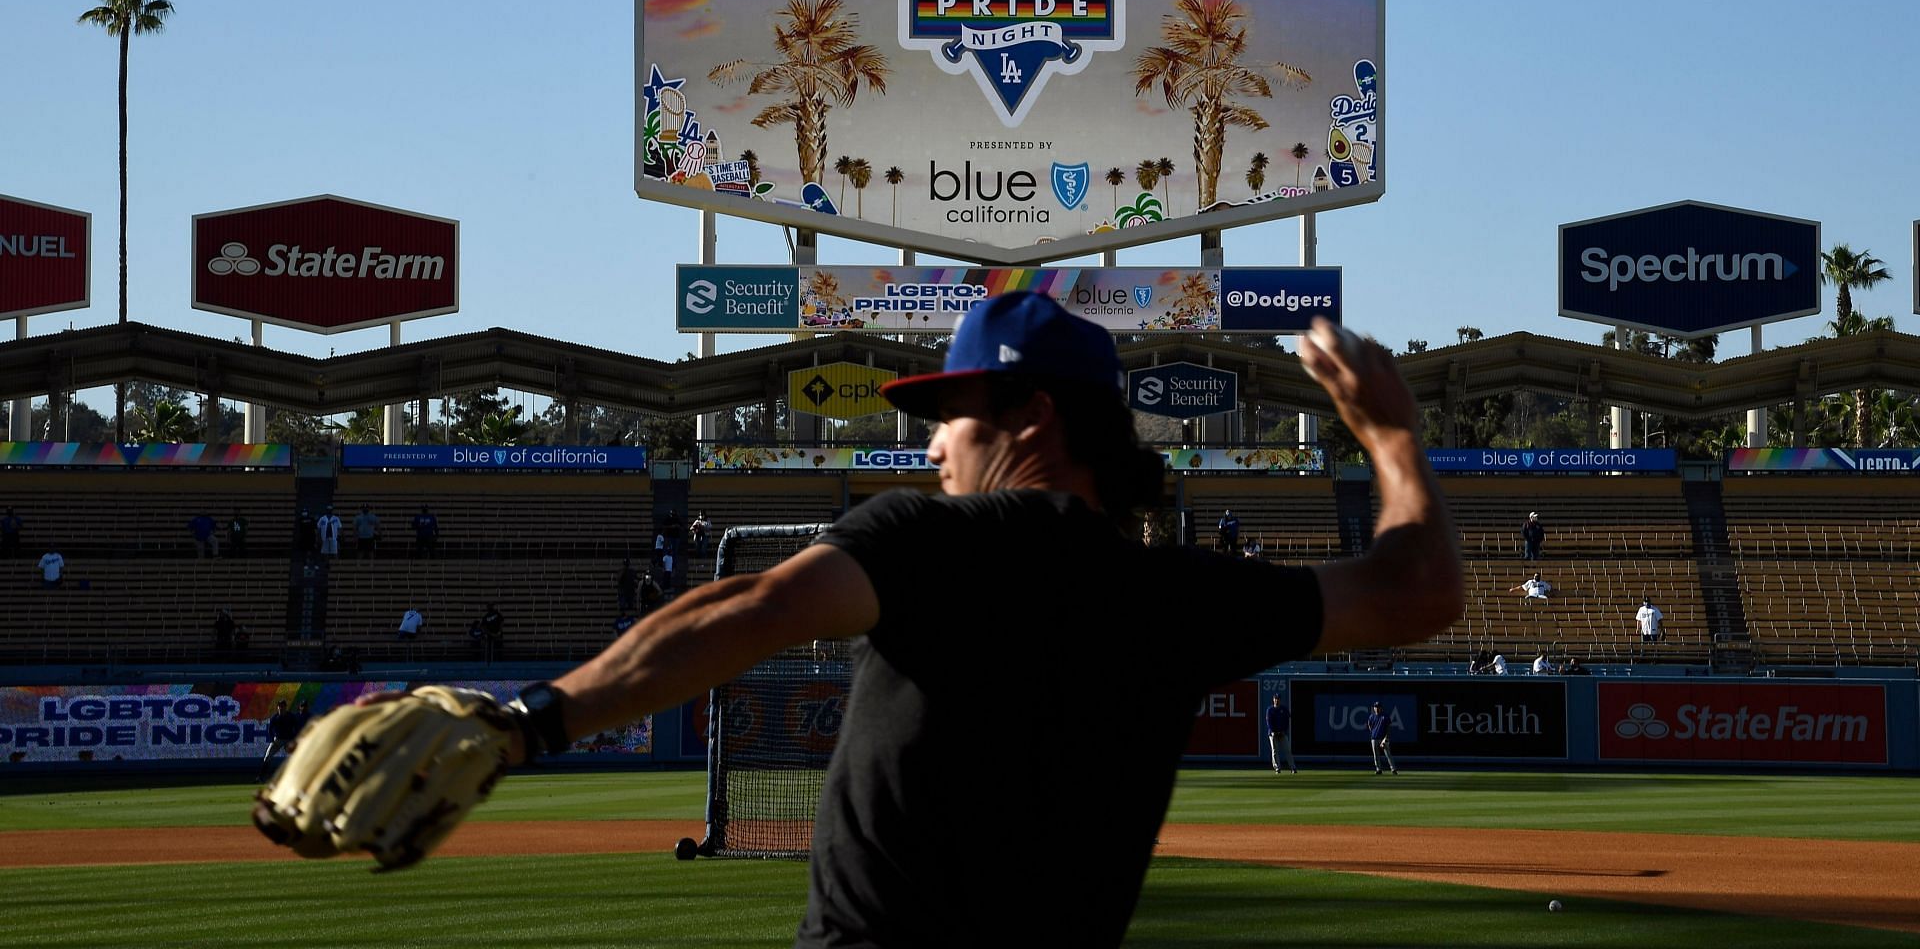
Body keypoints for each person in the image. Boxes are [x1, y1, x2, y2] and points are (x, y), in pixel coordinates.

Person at [363, 298, 1462, 946]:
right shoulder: (1181, 593)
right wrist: (1391, 438)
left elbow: (751, 606)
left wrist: (529, 720)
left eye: (950, 415)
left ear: (1031, 418)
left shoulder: (945, 542)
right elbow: (1415, 589)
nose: (932, 444)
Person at [258, 702, 299, 782]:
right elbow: (270, 729)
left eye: (283, 706)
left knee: (296, 757)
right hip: (278, 740)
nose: (281, 708)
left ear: (286, 707)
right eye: (280, 706)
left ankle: (297, 777)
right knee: (267, 757)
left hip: (288, 740)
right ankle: (260, 777)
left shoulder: (290, 716)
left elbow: (296, 727)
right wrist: (272, 740)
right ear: (277, 707)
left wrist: (294, 738)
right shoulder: (275, 717)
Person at [1266, 694, 1296, 774]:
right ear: (1273, 700)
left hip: (1282, 733)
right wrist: (1273, 732)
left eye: (1278, 699)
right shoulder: (1270, 709)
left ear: (1280, 700)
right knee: (1274, 751)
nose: (1277, 700)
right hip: (1273, 734)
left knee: (1288, 750)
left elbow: (1287, 721)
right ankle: (1277, 768)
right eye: (1275, 698)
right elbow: (1269, 722)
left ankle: (1293, 768)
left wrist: (1283, 730)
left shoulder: (1284, 709)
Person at [1365, 701, 1397, 775]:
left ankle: (1393, 769)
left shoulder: (1385, 716)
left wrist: (1385, 738)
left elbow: (1388, 728)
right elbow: (1369, 725)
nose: (1376, 708)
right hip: (1374, 738)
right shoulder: (1371, 716)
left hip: (1383, 739)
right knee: (1376, 755)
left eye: (1378, 707)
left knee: (1388, 754)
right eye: (1375, 707)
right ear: (1374, 708)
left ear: (1381, 708)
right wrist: (1373, 733)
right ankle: (1378, 769)